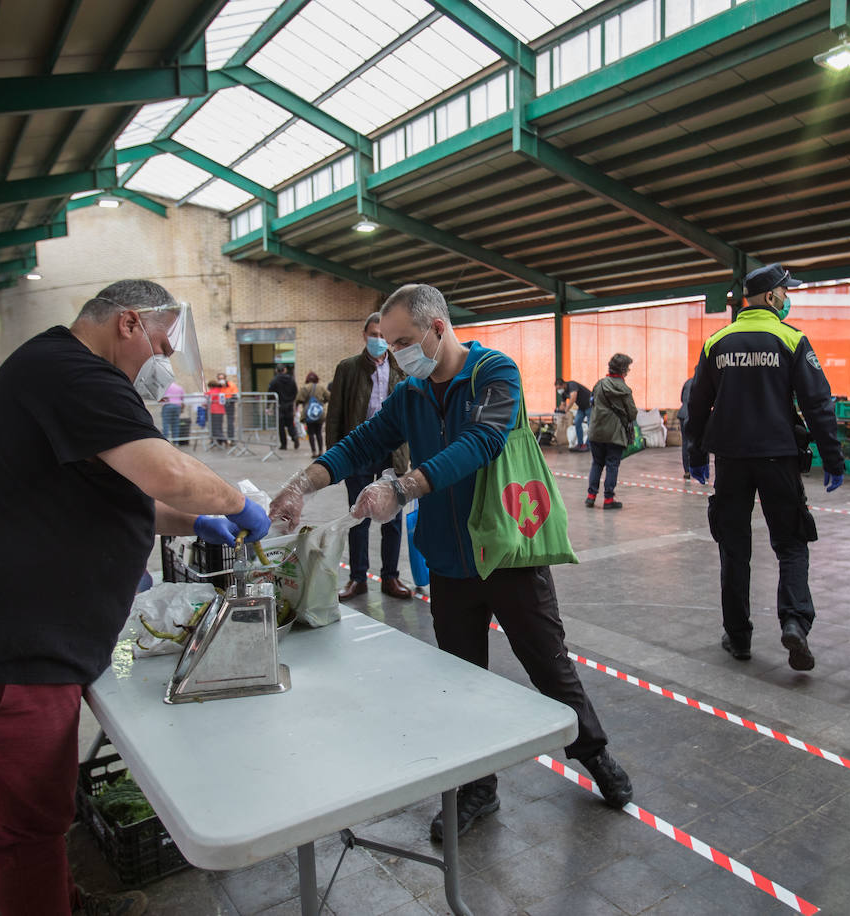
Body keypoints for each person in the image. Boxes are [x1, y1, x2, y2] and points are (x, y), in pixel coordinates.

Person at [0, 280, 270, 916]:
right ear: (128, 324)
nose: (164, 360)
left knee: (36, 817)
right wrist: (236, 502)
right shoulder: (72, 372)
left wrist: (191, 521)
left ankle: (65, 902)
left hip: (0, 634)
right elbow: (169, 473)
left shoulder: (53, 371)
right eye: (162, 343)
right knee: (25, 832)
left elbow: (117, 498)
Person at [269, 284, 632, 842]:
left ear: (438, 328)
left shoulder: (495, 373)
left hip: (507, 555)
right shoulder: (411, 392)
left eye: (405, 342)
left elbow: (481, 442)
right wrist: (301, 484)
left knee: (548, 665)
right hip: (448, 562)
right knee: (462, 682)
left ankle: (594, 752)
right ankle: (478, 789)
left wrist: (404, 487)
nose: (397, 356)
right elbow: (360, 442)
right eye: (389, 346)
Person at [685, 263, 844, 671]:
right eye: (786, 292)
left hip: (732, 462)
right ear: (772, 297)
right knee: (791, 544)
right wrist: (832, 457)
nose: (788, 298)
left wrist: (697, 455)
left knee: (734, 549)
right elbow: (818, 405)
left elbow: (697, 405)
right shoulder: (791, 339)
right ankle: (794, 621)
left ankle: (738, 637)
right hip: (779, 460)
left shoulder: (717, 342)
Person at [326, 312, 412, 600]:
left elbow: (411, 415)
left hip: (393, 451)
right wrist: (334, 461)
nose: (378, 340)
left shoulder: (401, 367)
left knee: (393, 519)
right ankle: (357, 578)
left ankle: (390, 578)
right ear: (364, 335)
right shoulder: (348, 368)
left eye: (382, 335)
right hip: (359, 451)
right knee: (358, 516)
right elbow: (335, 415)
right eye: (373, 334)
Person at [585, 354, 638, 509]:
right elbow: (632, 414)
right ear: (623, 370)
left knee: (597, 463)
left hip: (596, 432)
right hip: (615, 434)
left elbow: (592, 404)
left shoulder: (599, 385)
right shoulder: (624, 389)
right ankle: (608, 499)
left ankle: (591, 496)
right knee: (612, 465)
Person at [296, 371, 330, 457]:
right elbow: (329, 397)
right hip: (319, 414)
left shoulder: (304, 388)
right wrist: (322, 402)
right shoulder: (321, 387)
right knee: (319, 432)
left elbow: (299, 400)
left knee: (310, 433)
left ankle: (314, 452)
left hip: (308, 414)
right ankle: (321, 451)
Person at [555, 376, 592, 451]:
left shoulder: (572, 385)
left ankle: (588, 445)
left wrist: (566, 409)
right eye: (557, 389)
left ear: (564, 384)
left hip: (590, 406)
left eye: (559, 388)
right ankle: (580, 444)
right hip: (581, 407)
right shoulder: (563, 392)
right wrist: (558, 410)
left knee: (590, 425)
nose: (559, 390)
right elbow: (563, 404)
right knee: (577, 423)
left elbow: (573, 398)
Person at [268, 365, 299, 450]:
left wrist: (268, 406)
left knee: (280, 426)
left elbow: (270, 394)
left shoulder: (274, 381)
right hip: (289, 405)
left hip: (279, 405)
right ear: (285, 370)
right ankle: (294, 436)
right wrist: (292, 401)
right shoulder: (291, 380)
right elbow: (295, 392)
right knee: (290, 424)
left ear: (276, 370)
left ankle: (283, 444)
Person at [677, 375, 695, 481]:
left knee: (685, 442)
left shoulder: (687, 382)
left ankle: (687, 471)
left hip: (683, 414)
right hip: (694, 414)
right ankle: (703, 469)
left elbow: (681, 398)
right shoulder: (702, 381)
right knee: (700, 442)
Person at [215, 372, 238, 445]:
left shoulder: (231, 384)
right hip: (219, 405)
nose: (221, 380)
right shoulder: (217, 386)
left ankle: (231, 439)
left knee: (230, 422)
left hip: (229, 404)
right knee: (218, 422)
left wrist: (229, 400)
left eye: (222, 378)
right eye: (219, 379)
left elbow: (235, 395)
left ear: (225, 378)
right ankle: (220, 439)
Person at [206, 379, 227, 447]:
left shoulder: (213, 391)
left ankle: (224, 440)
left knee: (215, 427)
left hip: (214, 411)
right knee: (219, 426)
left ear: (211, 386)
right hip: (221, 411)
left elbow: (208, 399)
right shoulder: (219, 390)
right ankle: (218, 441)